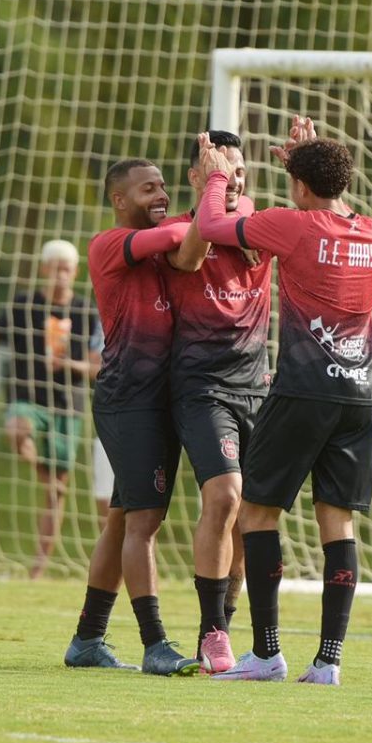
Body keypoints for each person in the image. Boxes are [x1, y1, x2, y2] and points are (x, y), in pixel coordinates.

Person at [195, 117, 372, 685]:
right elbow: (328, 206)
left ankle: (267, 652)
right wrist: (305, 163)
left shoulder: (291, 227)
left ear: (299, 187)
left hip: (303, 389)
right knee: (339, 524)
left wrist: (215, 177)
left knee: (258, 514)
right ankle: (328, 661)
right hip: (360, 395)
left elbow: (212, 223)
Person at [62, 158, 198, 676]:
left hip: (154, 399)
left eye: (164, 186)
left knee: (121, 520)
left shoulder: (162, 245)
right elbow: (187, 232)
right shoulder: (109, 243)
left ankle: (87, 640)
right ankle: (155, 643)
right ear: (120, 200)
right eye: (148, 189)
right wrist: (207, 200)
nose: (160, 195)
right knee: (144, 521)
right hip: (128, 398)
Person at [160, 131, 266, 673]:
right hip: (202, 389)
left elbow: (256, 224)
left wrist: (235, 193)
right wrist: (219, 187)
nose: (236, 179)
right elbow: (192, 254)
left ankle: (227, 608)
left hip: (258, 388)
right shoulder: (177, 229)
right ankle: (212, 632)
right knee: (224, 496)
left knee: (254, 513)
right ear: (195, 178)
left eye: (241, 170)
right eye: (223, 168)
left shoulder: (253, 224)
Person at [0, 239, 103, 579]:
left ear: (75, 272)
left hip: (67, 407)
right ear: (43, 270)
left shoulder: (86, 313)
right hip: (26, 398)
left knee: (57, 492)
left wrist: (71, 364)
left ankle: (37, 570)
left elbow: (98, 367)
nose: (60, 276)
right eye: (54, 269)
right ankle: (41, 469)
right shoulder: (23, 306)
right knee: (18, 431)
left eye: (66, 269)